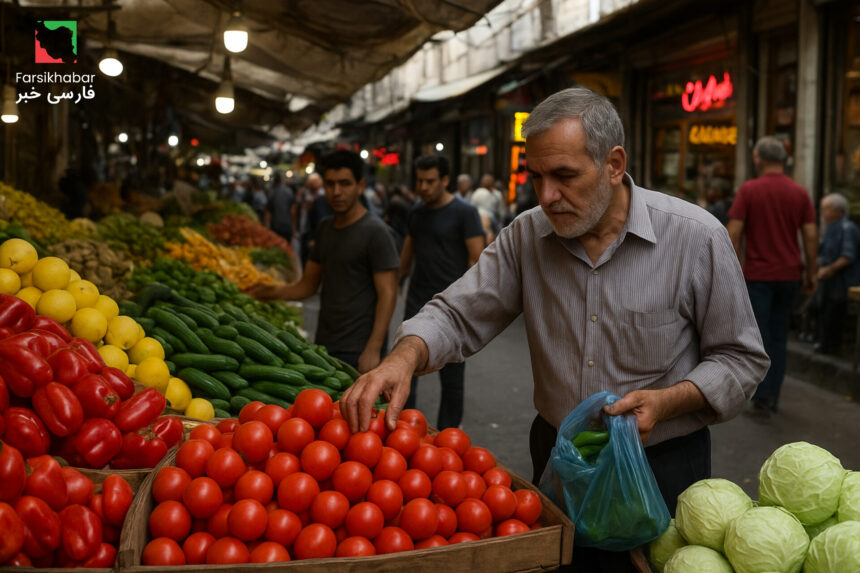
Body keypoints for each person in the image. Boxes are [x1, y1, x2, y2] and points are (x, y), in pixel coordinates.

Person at [341, 87, 768, 572]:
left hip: (659, 465)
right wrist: (403, 357)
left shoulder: (696, 238)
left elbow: (741, 358)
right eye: (536, 177)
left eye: (564, 176)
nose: (547, 196)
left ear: (613, 164)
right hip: (558, 460)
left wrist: (669, 401)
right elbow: (457, 313)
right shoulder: (527, 236)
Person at [248, 150, 399, 372]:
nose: (336, 192)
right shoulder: (325, 228)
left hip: (359, 348)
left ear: (360, 186)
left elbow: (388, 293)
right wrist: (268, 292)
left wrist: (373, 349)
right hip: (325, 344)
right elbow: (307, 286)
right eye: (330, 184)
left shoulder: (376, 232)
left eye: (345, 184)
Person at [726, 136, 818, 415]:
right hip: (789, 275)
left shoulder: (749, 190)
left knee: (759, 336)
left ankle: (762, 393)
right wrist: (811, 271)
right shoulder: (799, 193)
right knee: (779, 335)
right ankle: (772, 393)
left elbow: (733, 233)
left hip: (757, 276)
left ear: (758, 158)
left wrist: (732, 271)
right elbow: (810, 234)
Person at [400, 155, 485, 429]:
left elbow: (477, 261)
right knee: (405, 370)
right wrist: (396, 282)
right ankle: (402, 429)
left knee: (452, 379)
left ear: (445, 180)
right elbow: (407, 254)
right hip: (416, 303)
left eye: (430, 181)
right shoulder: (416, 212)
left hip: (452, 308)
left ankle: (447, 437)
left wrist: (471, 306)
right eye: (420, 181)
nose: (423, 187)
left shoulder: (465, 213)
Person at [813, 193, 860, 354]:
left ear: (838, 210)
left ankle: (832, 346)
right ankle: (825, 344)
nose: (823, 213)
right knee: (824, 311)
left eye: (826, 209)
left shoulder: (847, 228)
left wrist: (829, 269)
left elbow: (848, 256)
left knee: (834, 313)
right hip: (829, 280)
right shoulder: (831, 228)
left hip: (841, 280)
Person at [265, 173, 296, 242]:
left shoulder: (272, 192)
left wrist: (267, 225)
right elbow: (293, 211)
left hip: (275, 225)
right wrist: (294, 227)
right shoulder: (289, 191)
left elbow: (268, 211)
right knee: (286, 245)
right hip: (287, 225)